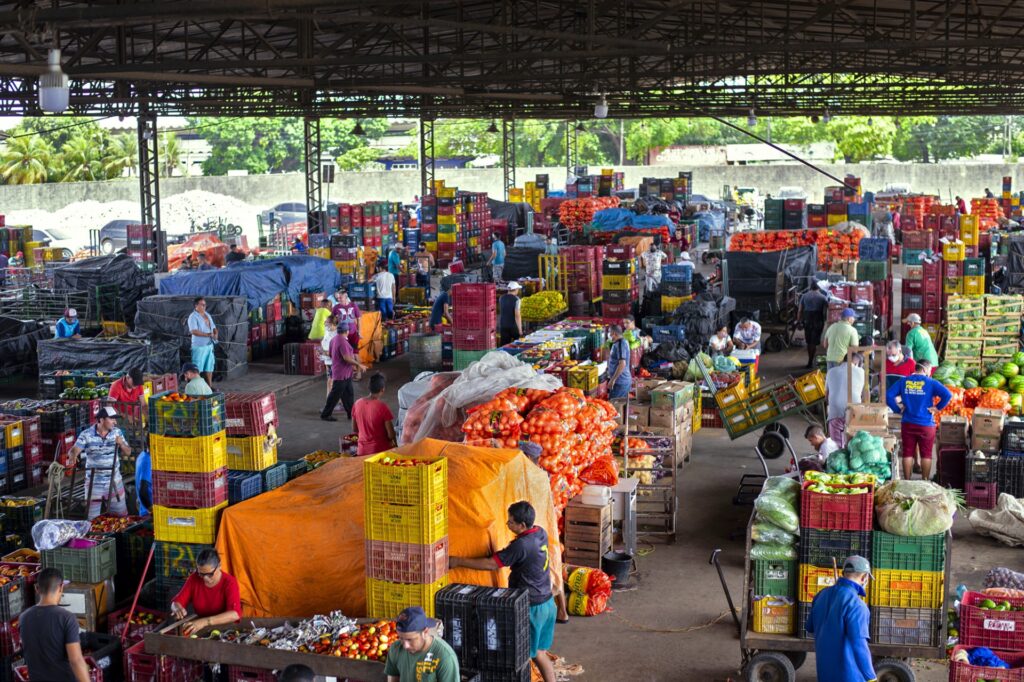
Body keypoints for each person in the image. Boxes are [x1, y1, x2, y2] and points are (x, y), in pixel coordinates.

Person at [450, 502, 557, 682]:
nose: (508, 525)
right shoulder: (540, 532)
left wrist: (458, 561)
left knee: (524, 657)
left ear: (522, 525)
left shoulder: (522, 545)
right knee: (539, 653)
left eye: (511, 522)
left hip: (532, 609)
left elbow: (491, 564)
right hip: (547, 603)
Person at [804, 556, 875, 682]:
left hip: (824, 673)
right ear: (864, 577)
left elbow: (809, 627)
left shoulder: (821, 595)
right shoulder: (857, 605)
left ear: (844, 573)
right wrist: (871, 677)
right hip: (850, 676)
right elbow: (859, 645)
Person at [19, 568, 91, 682]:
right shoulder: (67, 618)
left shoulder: (23, 618)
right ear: (61, 587)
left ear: (37, 588)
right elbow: (76, 660)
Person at [887, 362, 951, 481]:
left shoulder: (904, 381)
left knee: (907, 453)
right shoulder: (931, 383)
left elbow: (888, 395)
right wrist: (937, 408)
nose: (930, 372)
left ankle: (907, 481)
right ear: (925, 369)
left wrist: (897, 409)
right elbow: (947, 395)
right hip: (926, 424)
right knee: (926, 454)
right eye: (930, 370)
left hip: (908, 423)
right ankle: (925, 481)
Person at [67, 406, 130, 520]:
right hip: (93, 484)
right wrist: (73, 455)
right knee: (92, 519)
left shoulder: (117, 433)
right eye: (112, 419)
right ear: (101, 419)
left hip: (114, 482)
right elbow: (74, 449)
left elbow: (128, 452)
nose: (115, 422)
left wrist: (121, 444)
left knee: (121, 518)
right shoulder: (86, 434)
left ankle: (119, 538)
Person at [170, 549, 242, 637]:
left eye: (210, 574)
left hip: (226, 632)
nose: (205, 578)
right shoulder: (194, 578)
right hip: (201, 630)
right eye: (201, 574)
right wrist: (177, 608)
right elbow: (176, 602)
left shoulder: (229, 582)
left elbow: (235, 614)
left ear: (219, 566)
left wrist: (204, 622)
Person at [384, 606, 460, 682]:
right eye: (401, 638)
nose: (405, 645)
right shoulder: (395, 649)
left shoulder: (445, 657)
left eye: (410, 639)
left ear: (425, 632)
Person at [320, 327, 366, 422]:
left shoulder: (334, 339)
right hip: (341, 374)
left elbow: (331, 354)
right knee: (335, 395)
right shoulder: (343, 342)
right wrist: (358, 364)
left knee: (348, 394)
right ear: (347, 331)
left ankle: (351, 414)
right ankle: (325, 414)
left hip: (343, 372)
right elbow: (346, 358)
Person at [352, 373, 396, 456]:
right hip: (379, 452)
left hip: (362, 452)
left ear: (369, 388)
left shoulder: (357, 403)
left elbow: (354, 428)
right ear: (382, 389)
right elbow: (391, 435)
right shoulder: (382, 407)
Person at [825, 353, 865, 447]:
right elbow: (865, 396)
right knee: (853, 443)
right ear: (856, 363)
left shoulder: (831, 371)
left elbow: (826, 396)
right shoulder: (861, 372)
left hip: (835, 412)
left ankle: (838, 453)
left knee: (836, 445)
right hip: (854, 411)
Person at [188, 297, 217, 388]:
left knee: (209, 367)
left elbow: (214, 327)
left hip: (209, 345)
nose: (204, 306)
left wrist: (216, 333)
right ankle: (197, 387)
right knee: (197, 368)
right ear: (196, 305)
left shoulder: (207, 315)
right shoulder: (193, 317)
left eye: (205, 305)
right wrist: (207, 334)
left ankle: (209, 386)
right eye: (202, 304)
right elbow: (194, 331)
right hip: (199, 346)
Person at [798, 284, 829, 369]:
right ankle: (811, 360)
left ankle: (810, 360)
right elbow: (828, 309)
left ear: (810, 287)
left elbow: (800, 310)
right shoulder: (823, 297)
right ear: (819, 288)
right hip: (818, 320)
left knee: (809, 341)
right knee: (814, 341)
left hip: (807, 319)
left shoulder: (804, 296)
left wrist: (799, 321)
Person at [607, 324, 632, 400]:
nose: (608, 334)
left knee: (614, 406)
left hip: (620, 382)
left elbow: (622, 363)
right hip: (620, 381)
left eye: (609, 332)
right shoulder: (618, 343)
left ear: (614, 333)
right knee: (618, 405)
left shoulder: (621, 344)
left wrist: (613, 380)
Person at [498, 282, 523, 346]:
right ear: (516, 289)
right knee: (517, 345)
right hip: (513, 326)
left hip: (503, 325)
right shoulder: (517, 299)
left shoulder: (501, 298)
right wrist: (520, 330)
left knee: (504, 346)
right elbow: (517, 315)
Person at [319, 315, 338, 399]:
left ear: (333, 324)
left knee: (331, 382)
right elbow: (323, 340)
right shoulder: (327, 330)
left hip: (334, 362)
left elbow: (334, 353)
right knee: (330, 381)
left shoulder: (337, 336)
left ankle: (330, 401)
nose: (325, 324)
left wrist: (324, 352)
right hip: (327, 361)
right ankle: (331, 401)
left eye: (327, 322)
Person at [135, 448, 152, 516]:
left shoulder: (142, 455)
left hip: (144, 508)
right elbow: (143, 492)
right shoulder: (148, 461)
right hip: (147, 512)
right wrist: (151, 509)